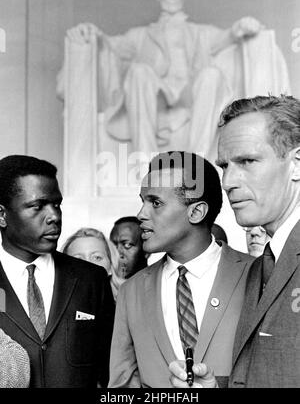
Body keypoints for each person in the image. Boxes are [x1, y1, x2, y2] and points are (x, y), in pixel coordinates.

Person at [57, 0, 290, 196]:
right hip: (154, 99)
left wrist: (241, 27)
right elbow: (111, 45)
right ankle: (147, 165)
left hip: (190, 101)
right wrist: (93, 34)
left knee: (212, 75)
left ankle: (197, 167)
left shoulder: (200, 32)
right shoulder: (140, 36)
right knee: (139, 72)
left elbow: (228, 37)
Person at [169, 95, 300, 388]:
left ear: (297, 164)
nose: (228, 181)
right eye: (225, 165)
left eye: (247, 161)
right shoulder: (261, 267)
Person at [108, 151, 254, 388]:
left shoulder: (256, 276)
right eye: (142, 201)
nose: (141, 214)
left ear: (196, 212)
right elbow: (124, 385)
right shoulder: (131, 291)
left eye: (155, 203)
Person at [0, 155, 115, 387]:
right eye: (37, 206)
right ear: (2, 215)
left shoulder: (91, 279)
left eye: (56, 204)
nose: (54, 216)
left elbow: (110, 370)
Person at [62, 227, 124, 301]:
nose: (88, 264)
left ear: (111, 264)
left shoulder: (129, 301)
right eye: (78, 259)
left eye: (97, 258)